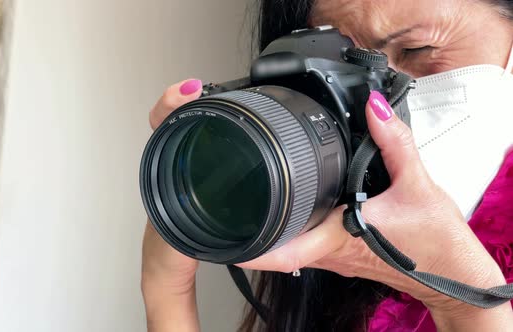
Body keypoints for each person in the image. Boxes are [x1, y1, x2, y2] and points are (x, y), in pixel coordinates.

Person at [141, 0, 513, 331]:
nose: (373, 94)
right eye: (340, 64)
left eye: (418, 49)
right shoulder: (330, 237)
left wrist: (464, 302)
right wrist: (168, 287)